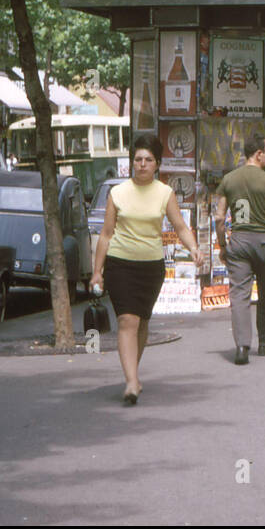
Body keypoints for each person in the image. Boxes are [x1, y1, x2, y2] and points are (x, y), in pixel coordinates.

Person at [90, 132, 203, 404]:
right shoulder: (117, 193)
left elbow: (179, 227)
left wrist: (195, 248)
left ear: (157, 164)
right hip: (120, 264)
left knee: (141, 323)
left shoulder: (165, 193)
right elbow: (106, 234)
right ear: (131, 163)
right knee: (127, 321)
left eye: (148, 159)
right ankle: (131, 381)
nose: (142, 164)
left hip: (151, 268)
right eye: (137, 159)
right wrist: (97, 271)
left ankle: (133, 373)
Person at [215, 135, 265, 365]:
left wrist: (223, 245)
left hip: (239, 242)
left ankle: (242, 347)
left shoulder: (228, 179)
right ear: (259, 154)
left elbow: (219, 218)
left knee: (239, 294)